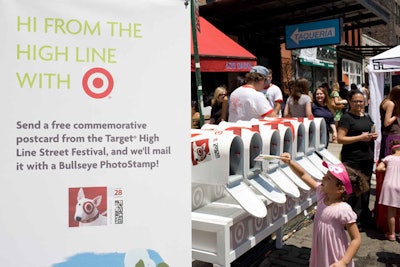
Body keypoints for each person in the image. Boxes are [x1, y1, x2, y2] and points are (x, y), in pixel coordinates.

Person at [279, 152, 369, 267]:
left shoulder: (344, 209)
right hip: (320, 251)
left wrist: (343, 261)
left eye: (329, 178)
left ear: (340, 189)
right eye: (326, 175)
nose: (323, 178)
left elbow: (356, 239)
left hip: (335, 255)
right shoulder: (322, 195)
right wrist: (290, 162)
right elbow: (303, 175)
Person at [337, 89, 378, 228]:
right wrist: (360, 138)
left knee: (365, 189)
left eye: (361, 101)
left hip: (367, 158)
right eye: (356, 101)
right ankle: (351, 219)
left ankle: (363, 217)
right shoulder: (346, 118)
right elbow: (340, 139)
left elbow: (370, 129)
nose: (359, 104)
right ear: (349, 102)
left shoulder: (366, 116)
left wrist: (373, 136)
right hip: (352, 159)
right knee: (353, 190)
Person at [376, 141, 400, 241]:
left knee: (391, 212)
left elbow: (379, 168)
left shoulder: (388, 158)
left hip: (390, 186)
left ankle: (392, 234)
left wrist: (388, 169)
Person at [378, 85, 400, 161]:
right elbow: (387, 122)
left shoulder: (385, 101)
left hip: (387, 133)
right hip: (392, 134)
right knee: (393, 157)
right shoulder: (391, 104)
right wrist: (396, 116)